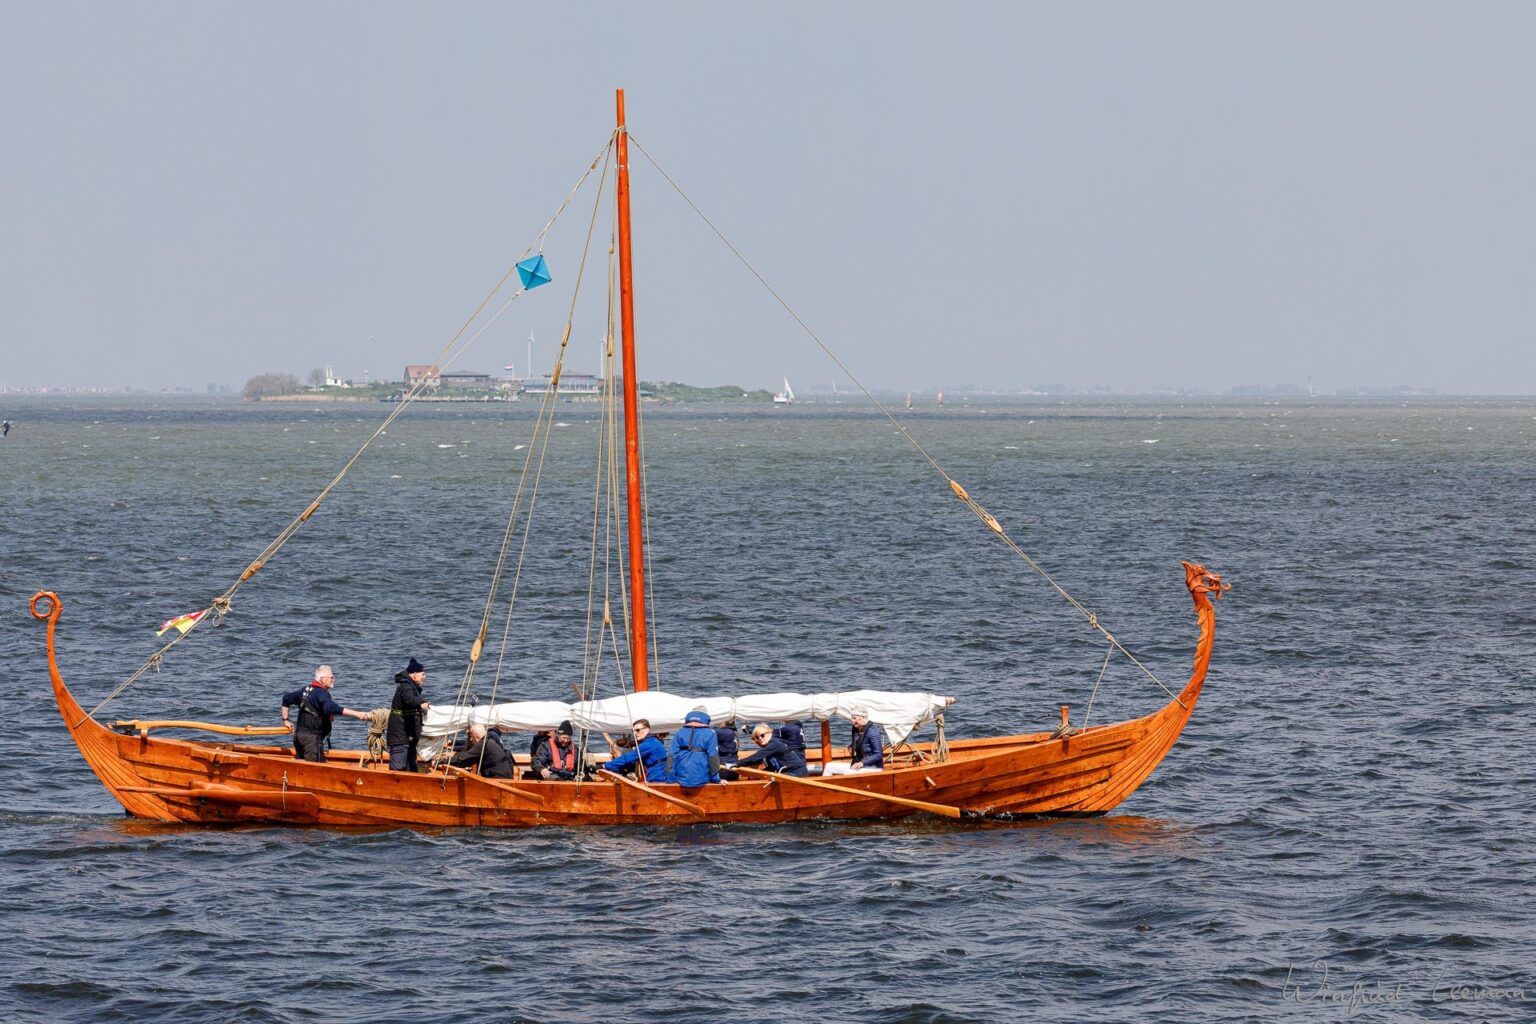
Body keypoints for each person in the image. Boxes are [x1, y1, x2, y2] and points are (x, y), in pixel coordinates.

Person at [279, 665, 370, 762]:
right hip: (311, 740)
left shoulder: (305, 690)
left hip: (298, 737)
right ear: (322, 679)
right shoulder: (321, 693)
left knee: (303, 767)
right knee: (314, 771)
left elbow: (286, 698)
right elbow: (331, 708)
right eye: (331, 677)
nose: (333, 679)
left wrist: (285, 720)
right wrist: (357, 714)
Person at [386, 657, 433, 772]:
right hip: (400, 739)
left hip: (408, 739)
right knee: (398, 771)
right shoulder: (405, 686)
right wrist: (421, 704)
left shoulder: (411, 686)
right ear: (414, 674)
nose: (424, 677)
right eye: (423, 674)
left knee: (411, 770)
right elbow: (409, 700)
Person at [601, 719, 670, 783]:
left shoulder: (648, 744)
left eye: (637, 730)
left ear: (647, 730)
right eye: (633, 731)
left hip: (657, 778)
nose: (635, 733)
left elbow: (627, 758)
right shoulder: (653, 741)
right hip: (658, 774)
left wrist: (603, 766)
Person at [824, 706, 886, 775]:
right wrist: (851, 747)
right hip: (860, 764)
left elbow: (878, 754)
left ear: (862, 718)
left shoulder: (872, 732)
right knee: (828, 766)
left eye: (854, 718)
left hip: (873, 767)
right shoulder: (857, 730)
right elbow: (860, 743)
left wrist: (862, 763)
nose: (852, 720)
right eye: (852, 718)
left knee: (848, 773)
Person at [668, 709, 721, 787]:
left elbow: (672, 755)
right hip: (702, 779)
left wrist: (670, 779)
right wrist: (716, 779)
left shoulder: (679, 732)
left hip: (681, 778)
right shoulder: (711, 733)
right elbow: (713, 757)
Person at [737, 722, 808, 777]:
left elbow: (755, 757)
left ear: (769, 733)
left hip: (797, 774)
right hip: (788, 773)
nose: (760, 738)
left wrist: (738, 763)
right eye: (757, 737)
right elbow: (766, 765)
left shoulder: (774, 744)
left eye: (762, 735)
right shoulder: (769, 747)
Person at [449, 723, 515, 779]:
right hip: (503, 778)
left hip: (498, 781)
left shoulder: (483, 744)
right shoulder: (488, 741)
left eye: (471, 737)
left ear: (475, 737)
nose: (471, 740)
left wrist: (443, 761)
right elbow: (468, 760)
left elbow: (463, 758)